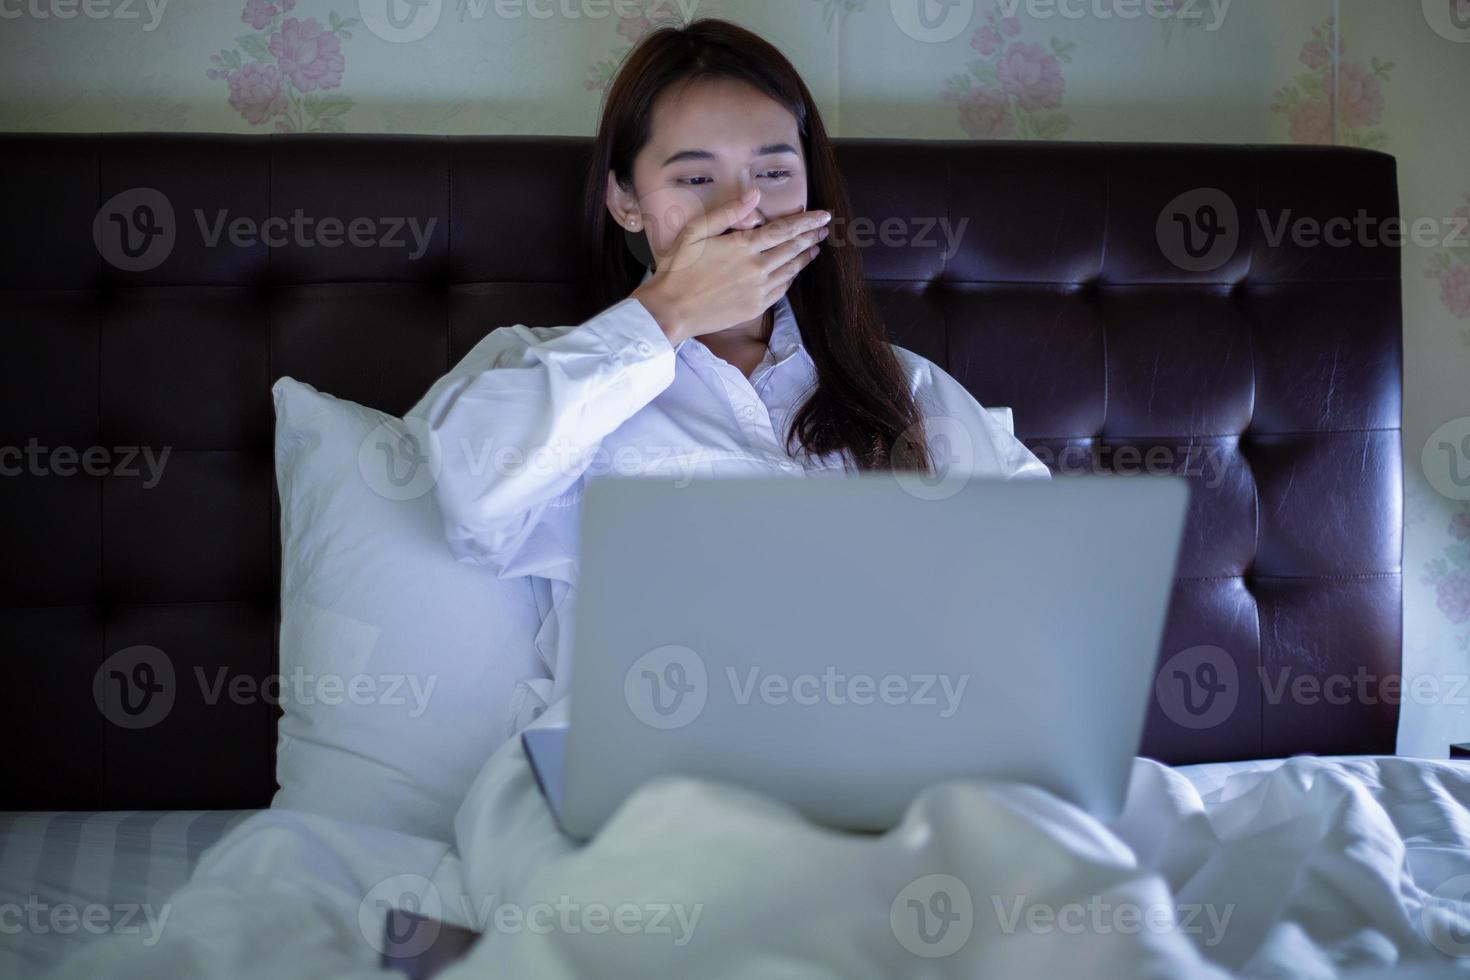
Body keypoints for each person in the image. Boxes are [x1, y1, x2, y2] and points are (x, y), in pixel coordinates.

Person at [413, 18, 1049, 722]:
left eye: (774, 173)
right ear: (625, 200)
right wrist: (667, 310)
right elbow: (470, 497)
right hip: (658, 767)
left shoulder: (901, 386)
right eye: (694, 176)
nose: (741, 212)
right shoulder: (544, 372)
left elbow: (1036, 578)